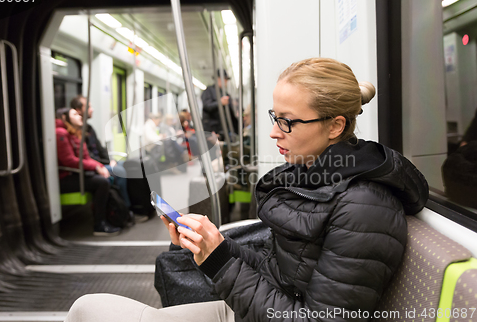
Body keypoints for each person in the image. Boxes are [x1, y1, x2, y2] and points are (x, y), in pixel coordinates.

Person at [65, 57, 429, 321]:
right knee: (87, 308)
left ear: (334, 126)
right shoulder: (317, 176)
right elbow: (282, 272)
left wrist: (220, 263)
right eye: (275, 117)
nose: (273, 132)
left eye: (286, 122)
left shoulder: (362, 206)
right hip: (260, 307)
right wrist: (216, 245)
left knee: (88, 311)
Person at [55, 108, 121, 236]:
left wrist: (99, 166)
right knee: (102, 182)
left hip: (76, 173)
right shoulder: (61, 134)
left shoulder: (75, 133)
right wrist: (96, 167)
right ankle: (99, 224)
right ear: (64, 118)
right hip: (66, 176)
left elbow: (86, 157)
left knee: (108, 177)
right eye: (75, 114)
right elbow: (69, 161)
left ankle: (115, 215)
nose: (80, 116)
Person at [70, 96, 133, 210]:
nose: (92, 109)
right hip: (93, 166)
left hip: (100, 162)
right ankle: (125, 208)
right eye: (88, 107)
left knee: (126, 164)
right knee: (119, 171)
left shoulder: (89, 128)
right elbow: (88, 156)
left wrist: (110, 160)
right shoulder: (77, 132)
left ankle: (134, 204)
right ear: (79, 110)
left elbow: (100, 149)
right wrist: (105, 164)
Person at [201, 69, 239, 141]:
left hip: (223, 131)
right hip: (212, 131)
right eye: (225, 79)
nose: (226, 82)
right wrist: (220, 102)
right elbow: (207, 106)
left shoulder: (225, 93)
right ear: (218, 78)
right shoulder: (209, 91)